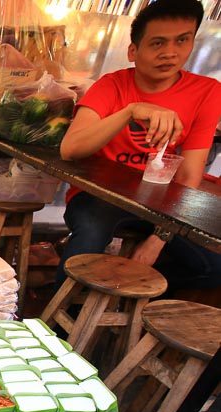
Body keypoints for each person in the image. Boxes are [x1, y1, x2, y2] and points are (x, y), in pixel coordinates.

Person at [58, 0, 221, 292]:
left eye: (182, 40)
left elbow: (188, 177)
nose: (170, 53)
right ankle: (55, 330)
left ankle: (123, 296)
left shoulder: (207, 92)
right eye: (157, 43)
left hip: (163, 206)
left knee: (214, 268)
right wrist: (130, 111)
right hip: (99, 195)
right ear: (133, 51)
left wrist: (159, 239)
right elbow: (70, 149)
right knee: (89, 238)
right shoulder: (112, 85)